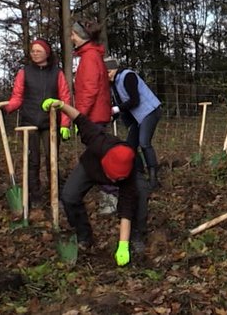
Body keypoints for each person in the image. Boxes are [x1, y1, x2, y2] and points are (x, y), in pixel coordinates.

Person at [41, 98, 138, 267]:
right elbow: (80, 118)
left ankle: (135, 238)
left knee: (139, 196)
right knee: (69, 196)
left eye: (118, 180)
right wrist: (61, 106)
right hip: (89, 168)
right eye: (113, 178)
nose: (114, 182)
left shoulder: (129, 171)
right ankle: (84, 236)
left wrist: (122, 245)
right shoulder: (98, 142)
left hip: (119, 173)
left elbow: (126, 209)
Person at [3, 39, 73, 207]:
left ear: (47, 53)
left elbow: (65, 98)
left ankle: (57, 195)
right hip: (30, 123)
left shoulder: (57, 73)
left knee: (52, 159)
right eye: (33, 51)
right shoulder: (24, 72)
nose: (34, 53)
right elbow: (17, 96)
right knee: (32, 161)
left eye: (38, 50)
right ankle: (34, 196)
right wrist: (6, 108)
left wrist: (65, 124)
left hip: (51, 123)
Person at [71, 20, 116, 214]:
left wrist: (79, 116)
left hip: (93, 116)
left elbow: (89, 90)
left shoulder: (89, 58)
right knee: (99, 156)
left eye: (73, 34)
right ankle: (108, 194)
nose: (71, 37)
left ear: (80, 36)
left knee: (100, 157)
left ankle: (111, 195)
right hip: (95, 114)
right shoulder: (91, 55)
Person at [105, 57, 162, 188]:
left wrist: (115, 110)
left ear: (113, 70)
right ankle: (139, 176)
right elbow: (120, 103)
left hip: (150, 111)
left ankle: (153, 179)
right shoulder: (113, 84)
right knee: (130, 146)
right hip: (138, 117)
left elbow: (134, 100)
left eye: (107, 72)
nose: (106, 75)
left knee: (144, 142)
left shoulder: (128, 76)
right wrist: (112, 115)